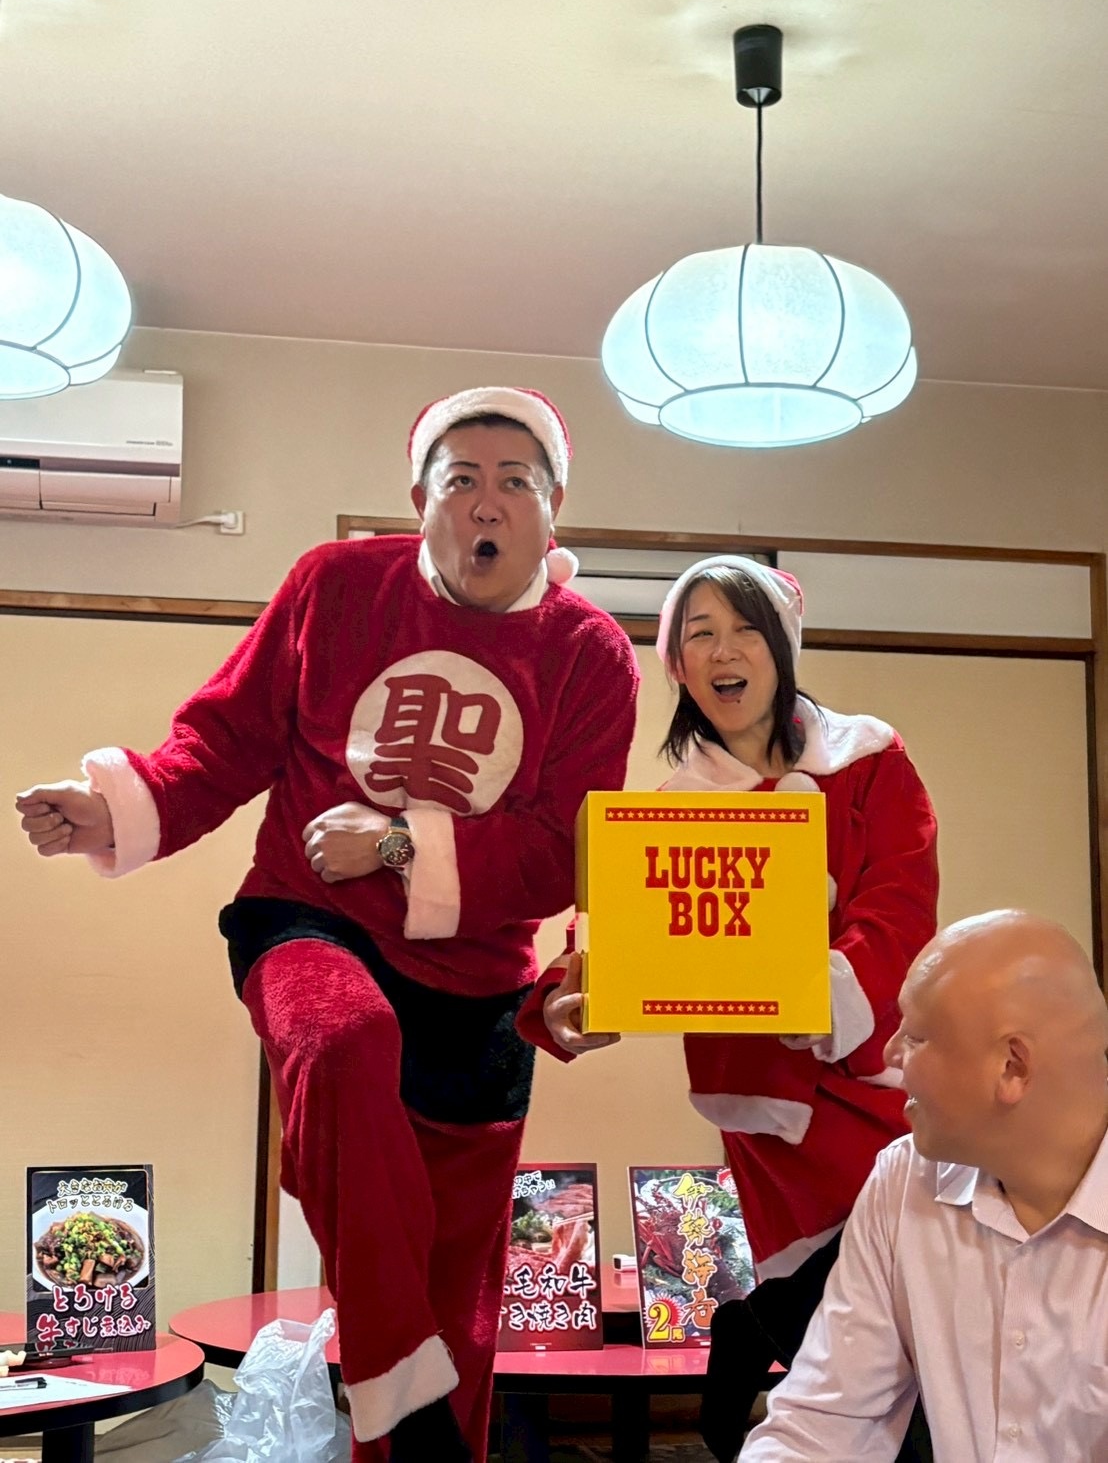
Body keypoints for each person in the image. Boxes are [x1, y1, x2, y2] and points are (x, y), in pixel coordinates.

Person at [14, 386, 640, 1463]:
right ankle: (389, 1366)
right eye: (461, 480)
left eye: (515, 482)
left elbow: (560, 851)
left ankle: (415, 1406)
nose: (486, 503)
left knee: (461, 1294)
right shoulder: (334, 586)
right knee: (346, 1042)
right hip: (308, 920)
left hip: (480, 985)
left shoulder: (591, 653)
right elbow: (223, 741)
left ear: (554, 509)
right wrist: (113, 807)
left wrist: (398, 843)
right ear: (419, 499)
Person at [520, 555, 939, 1461]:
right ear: (677, 665)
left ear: (782, 646)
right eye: (699, 634)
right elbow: (616, 934)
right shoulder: (675, 810)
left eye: (745, 628)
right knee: (854, 1352)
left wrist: (823, 990)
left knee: (917, 1338)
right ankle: (767, 1321)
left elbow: (900, 908)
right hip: (769, 1116)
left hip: (880, 1088)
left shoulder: (870, 763)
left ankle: (756, 1324)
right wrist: (565, 1001)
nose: (724, 650)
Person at [742, 909, 1108, 1463]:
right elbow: (822, 1424)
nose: (889, 1054)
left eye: (914, 1037)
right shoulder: (905, 1179)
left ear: (1011, 1066)